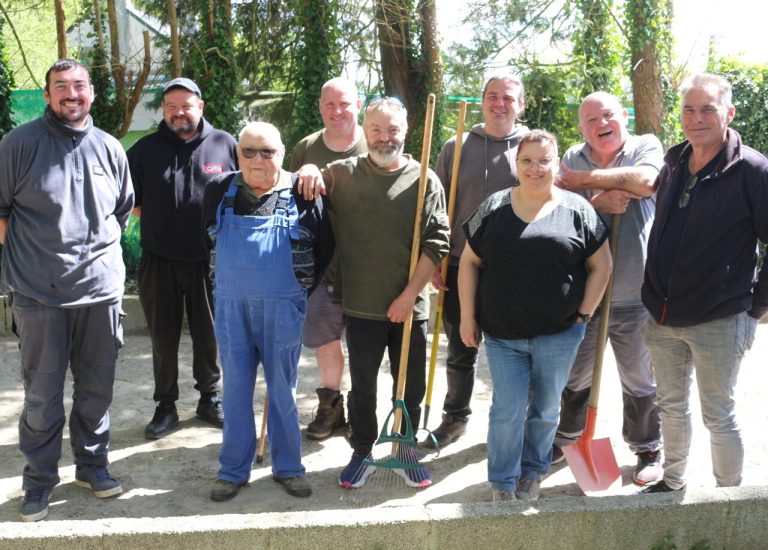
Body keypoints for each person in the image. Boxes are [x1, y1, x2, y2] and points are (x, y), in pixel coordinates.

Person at [0, 59, 134, 522]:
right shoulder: (18, 144)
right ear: (47, 95)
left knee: (97, 390)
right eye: (61, 86)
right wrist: (40, 257)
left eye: (79, 85)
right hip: (39, 297)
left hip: (100, 294)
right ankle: (38, 481)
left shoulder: (110, 147)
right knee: (42, 395)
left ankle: (92, 467)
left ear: (91, 93)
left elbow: (121, 211)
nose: (71, 94)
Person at [301, 97, 450, 488]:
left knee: (410, 386)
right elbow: (308, 179)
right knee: (363, 387)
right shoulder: (344, 174)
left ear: (406, 131)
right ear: (365, 132)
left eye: (393, 130)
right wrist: (310, 167)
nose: (385, 138)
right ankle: (362, 451)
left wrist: (409, 295)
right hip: (361, 305)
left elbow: (438, 241)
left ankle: (404, 450)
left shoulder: (424, 179)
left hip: (410, 307)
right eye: (377, 130)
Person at [459, 130, 612, 502]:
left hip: (559, 335)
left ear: (557, 164)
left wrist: (584, 315)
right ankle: (502, 481)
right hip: (502, 334)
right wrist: (467, 317)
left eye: (544, 160)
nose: (535, 168)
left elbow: (603, 265)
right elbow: (468, 262)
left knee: (544, 410)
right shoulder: (493, 206)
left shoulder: (578, 210)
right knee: (507, 410)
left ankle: (532, 473)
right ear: (516, 164)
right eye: (527, 160)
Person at [640, 74, 768, 493]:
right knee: (671, 408)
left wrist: (756, 307)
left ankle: (728, 501)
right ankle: (672, 481)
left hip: (720, 318)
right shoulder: (675, 162)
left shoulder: (752, 169)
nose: (696, 119)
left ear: (729, 113)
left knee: (719, 416)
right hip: (662, 317)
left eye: (707, 109)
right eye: (689, 110)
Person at [203, 122, 333, 501]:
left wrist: (296, 289)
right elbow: (205, 240)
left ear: (282, 153)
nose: (257, 159)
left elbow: (325, 246)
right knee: (235, 391)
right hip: (231, 308)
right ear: (237, 154)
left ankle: (289, 468)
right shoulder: (218, 189)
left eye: (267, 152)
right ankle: (232, 471)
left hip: (284, 306)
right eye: (249, 151)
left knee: (283, 391)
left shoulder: (302, 191)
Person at [553, 92, 664, 485]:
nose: (601, 124)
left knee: (639, 377)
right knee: (575, 374)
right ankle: (567, 439)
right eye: (591, 120)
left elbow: (646, 181)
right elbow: (560, 212)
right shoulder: (572, 156)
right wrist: (599, 202)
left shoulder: (645, 146)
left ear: (625, 116)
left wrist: (584, 182)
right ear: (582, 129)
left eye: (608, 115)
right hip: (588, 295)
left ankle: (647, 447)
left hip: (636, 293)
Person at [127, 77, 238, 440]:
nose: (179, 113)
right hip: (159, 259)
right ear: (164, 110)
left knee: (210, 335)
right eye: (171, 107)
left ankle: (210, 398)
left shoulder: (225, 144)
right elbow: (133, 202)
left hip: (210, 260)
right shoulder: (145, 150)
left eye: (186, 106)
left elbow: (243, 193)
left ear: (200, 107)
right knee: (162, 337)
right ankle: (166, 405)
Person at [424, 73, 529, 449]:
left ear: (521, 105)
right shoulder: (456, 146)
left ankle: (511, 422)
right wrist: (435, 256)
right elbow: (437, 207)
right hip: (457, 263)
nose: (500, 103)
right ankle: (455, 418)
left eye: (508, 98)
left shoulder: (530, 148)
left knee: (512, 352)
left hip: (512, 268)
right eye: (492, 96)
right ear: (482, 100)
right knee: (460, 349)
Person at [289, 77, 366, 440]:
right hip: (322, 265)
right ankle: (332, 408)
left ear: (358, 105)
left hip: (370, 265)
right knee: (326, 339)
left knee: (366, 344)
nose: (337, 112)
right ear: (320, 107)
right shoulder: (306, 148)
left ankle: (365, 412)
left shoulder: (376, 141)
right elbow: (287, 201)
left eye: (344, 104)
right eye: (330, 105)